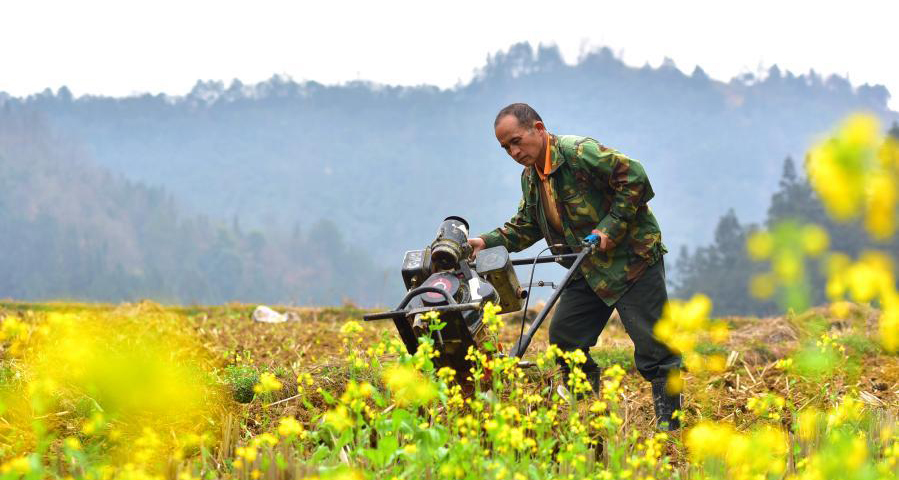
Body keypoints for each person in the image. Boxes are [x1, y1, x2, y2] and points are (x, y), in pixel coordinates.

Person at [468, 103, 683, 431]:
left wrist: (612, 225)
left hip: (631, 262)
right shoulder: (530, 178)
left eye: (516, 141)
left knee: (654, 348)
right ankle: (589, 419)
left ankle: (672, 430)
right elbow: (527, 225)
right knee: (567, 337)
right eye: (505, 147)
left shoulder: (578, 153)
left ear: (538, 129)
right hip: (585, 266)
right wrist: (486, 242)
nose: (513, 151)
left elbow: (635, 176)